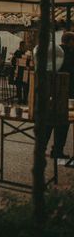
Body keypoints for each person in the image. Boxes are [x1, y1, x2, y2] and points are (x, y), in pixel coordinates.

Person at [45, 31, 74, 159]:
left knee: (49, 121)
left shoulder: (52, 52)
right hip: (66, 92)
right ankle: (57, 149)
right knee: (63, 122)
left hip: (50, 91)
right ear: (70, 41)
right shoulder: (70, 54)